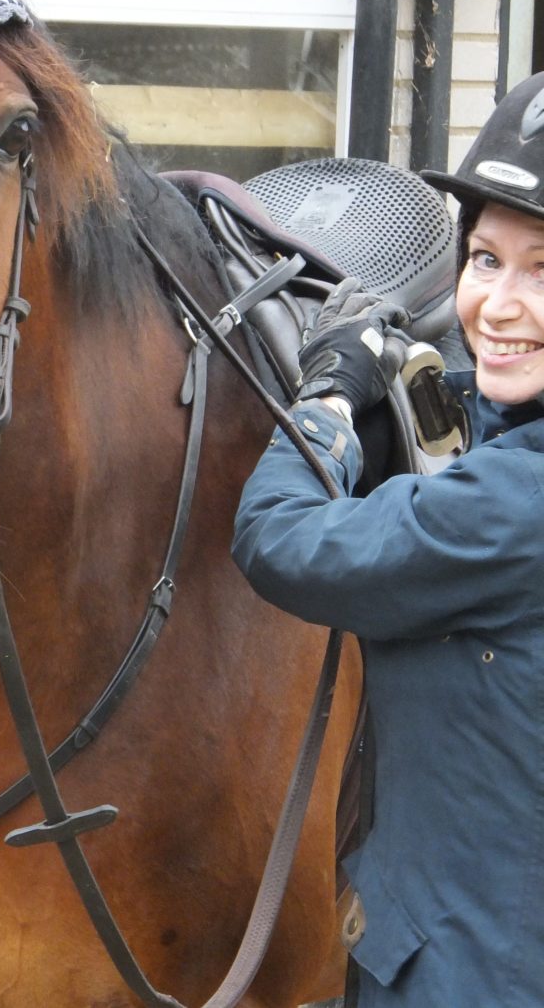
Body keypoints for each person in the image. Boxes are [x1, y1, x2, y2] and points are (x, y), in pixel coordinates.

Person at [232, 72, 544, 1007]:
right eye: (485, 260)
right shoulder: (507, 441)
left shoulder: (517, 506)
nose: (496, 304)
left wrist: (327, 396)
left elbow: (278, 540)